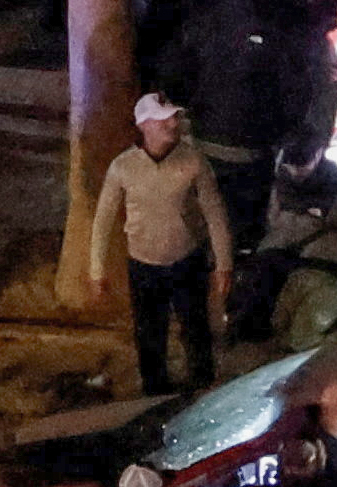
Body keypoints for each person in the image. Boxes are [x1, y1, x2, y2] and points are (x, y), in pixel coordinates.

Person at [90, 93, 233, 394]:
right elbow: (103, 219)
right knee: (149, 335)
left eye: (173, 117)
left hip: (186, 260)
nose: (172, 124)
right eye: (162, 119)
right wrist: (96, 270)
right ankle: (155, 395)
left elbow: (214, 212)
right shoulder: (123, 167)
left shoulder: (193, 161)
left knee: (196, 330)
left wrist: (224, 263)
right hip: (144, 265)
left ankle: (202, 390)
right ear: (144, 125)